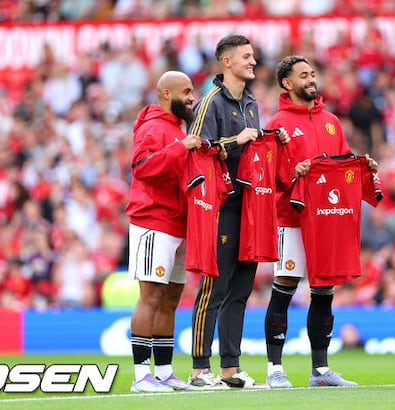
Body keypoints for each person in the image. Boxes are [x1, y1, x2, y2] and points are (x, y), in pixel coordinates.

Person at [262, 55, 377, 388]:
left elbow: (341, 164)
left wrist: (361, 166)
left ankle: (321, 370)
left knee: (324, 292)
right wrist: (292, 172)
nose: (311, 79)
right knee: (284, 289)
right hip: (291, 218)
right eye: (303, 75)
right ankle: (274, 369)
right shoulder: (278, 122)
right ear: (287, 83)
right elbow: (269, 171)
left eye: (313, 74)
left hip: (326, 218)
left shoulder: (332, 121)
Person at [186, 34, 289, 389]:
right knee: (214, 287)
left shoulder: (250, 101)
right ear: (226, 61)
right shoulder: (210, 102)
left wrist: (271, 138)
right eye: (246, 56)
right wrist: (236, 140)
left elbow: (251, 149)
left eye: (252, 55)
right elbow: (196, 150)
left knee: (241, 290)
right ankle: (199, 369)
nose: (252, 61)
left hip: (251, 203)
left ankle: (230, 368)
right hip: (221, 205)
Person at [126, 71, 202, 393]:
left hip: (179, 223)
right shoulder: (152, 127)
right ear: (166, 94)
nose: (192, 97)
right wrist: (180, 148)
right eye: (186, 91)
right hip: (153, 220)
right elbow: (141, 167)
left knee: (170, 299)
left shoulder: (176, 129)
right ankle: (141, 375)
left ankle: (165, 372)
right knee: (151, 296)